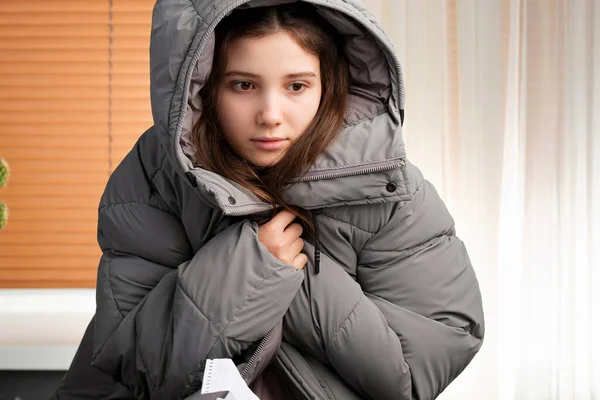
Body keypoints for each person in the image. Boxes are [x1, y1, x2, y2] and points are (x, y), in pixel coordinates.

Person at [51, 1, 485, 399]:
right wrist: (252, 267)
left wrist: (288, 277)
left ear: (329, 85)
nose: (270, 114)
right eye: (243, 85)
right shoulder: (155, 178)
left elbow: (410, 376)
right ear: (204, 88)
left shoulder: (389, 189)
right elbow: (141, 369)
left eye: (296, 86)